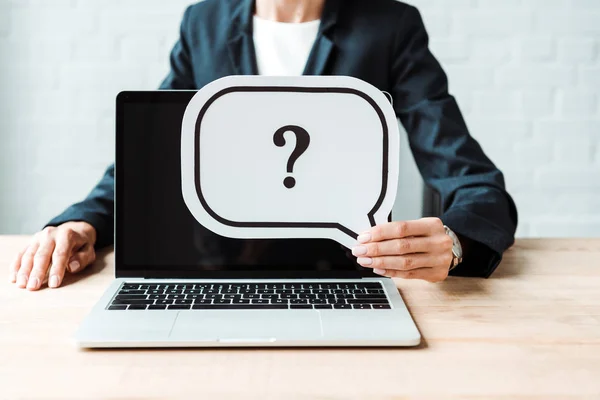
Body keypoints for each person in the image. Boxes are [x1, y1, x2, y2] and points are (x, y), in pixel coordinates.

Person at [8, 0, 517, 291]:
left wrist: (454, 242)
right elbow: (151, 159)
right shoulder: (203, 22)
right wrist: (83, 221)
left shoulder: (390, 26)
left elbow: (476, 183)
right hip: (213, 279)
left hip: (346, 280)